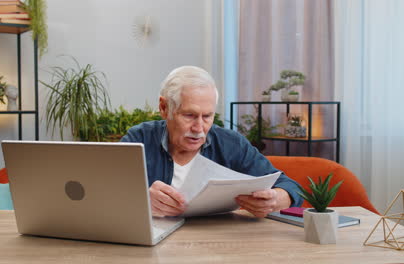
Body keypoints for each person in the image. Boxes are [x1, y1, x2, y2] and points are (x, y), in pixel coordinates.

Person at [120, 66, 303, 218]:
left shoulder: (231, 144)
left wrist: (275, 199)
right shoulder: (139, 139)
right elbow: (103, 193)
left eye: (207, 116)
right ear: (164, 107)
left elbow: (290, 186)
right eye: (189, 115)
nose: (199, 128)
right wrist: (141, 199)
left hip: (217, 247)